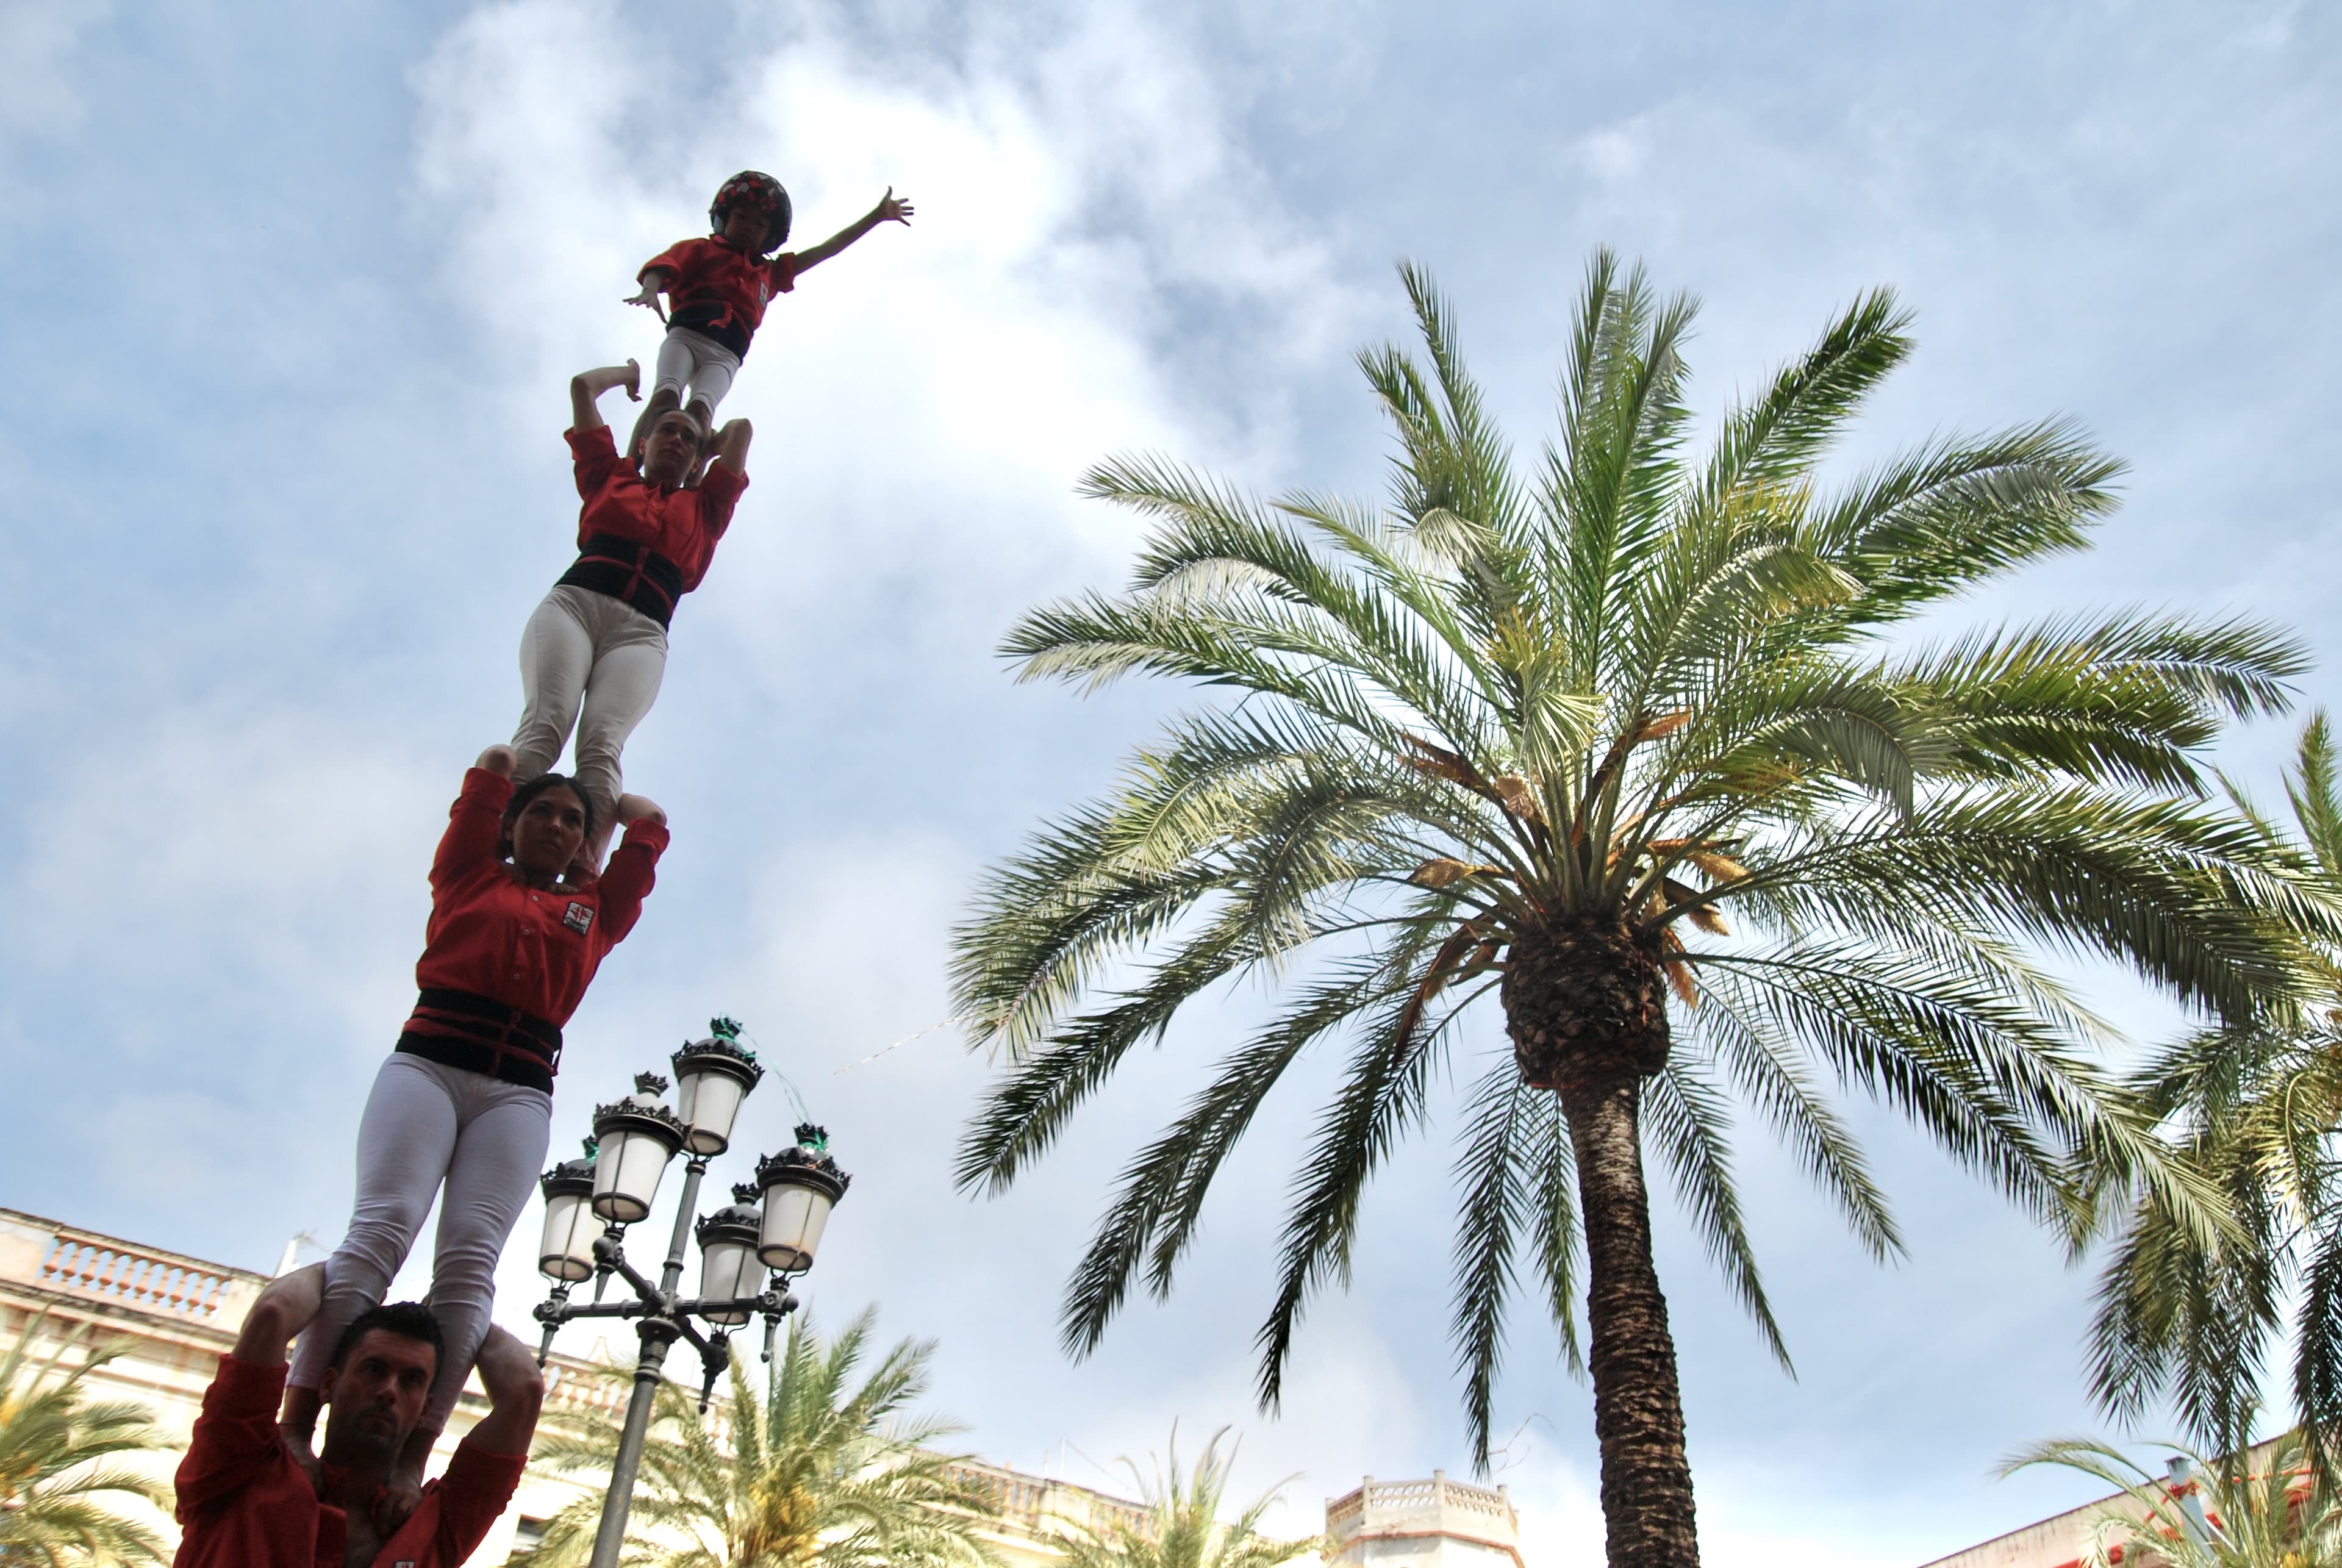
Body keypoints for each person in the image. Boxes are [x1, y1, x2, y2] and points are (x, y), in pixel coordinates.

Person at [278, 745, 665, 1517]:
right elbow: (491, 764)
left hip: (519, 1088)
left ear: (584, 843)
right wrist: (540, 776)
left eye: (571, 821)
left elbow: (651, 826)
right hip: (427, 1063)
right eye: (540, 813)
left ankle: (413, 1450)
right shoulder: (467, 875)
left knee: (471, 1259)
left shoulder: (593, 912)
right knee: (382, 1227)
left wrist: (603, 800)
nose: (555, 825)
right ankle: (298, 1424)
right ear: (509, 825)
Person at [509, 364, 748, 868]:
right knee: (547, 723)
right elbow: (581, 388)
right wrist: (634, 376)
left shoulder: (707, 506)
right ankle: (493, 833)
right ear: (642, 442)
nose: (677, 440)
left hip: (641, 630)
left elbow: (742, 431)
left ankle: (582, 866)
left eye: (688, 438)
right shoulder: (610, 475)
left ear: (700, 457)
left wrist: (705, 443)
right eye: (667, 432)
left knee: (601, 743)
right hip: (576, 604)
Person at [174, 1262, 544, 1567]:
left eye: (411, 1380)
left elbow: (524, 1392)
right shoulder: (240, 1472)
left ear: (425, 1410)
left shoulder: (434, 1523)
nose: (389, 1391)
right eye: (374, 1370)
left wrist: (462, 1311)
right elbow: (273, 1313)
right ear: (329, 1384)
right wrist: (361, 1262)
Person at [622, 170, 912, 456]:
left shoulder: (770, 273)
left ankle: (688, 483)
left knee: (701, 410)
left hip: (726, 355)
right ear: (724, 218)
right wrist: (650, 290)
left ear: (769, 236)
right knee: (666, 397)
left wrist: (875, 218)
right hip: (686, 336)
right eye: (742, 218)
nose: (750, 227)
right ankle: (631, 465)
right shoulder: (701, 249)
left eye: (760, 224)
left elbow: (826, 250)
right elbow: (663, 266)